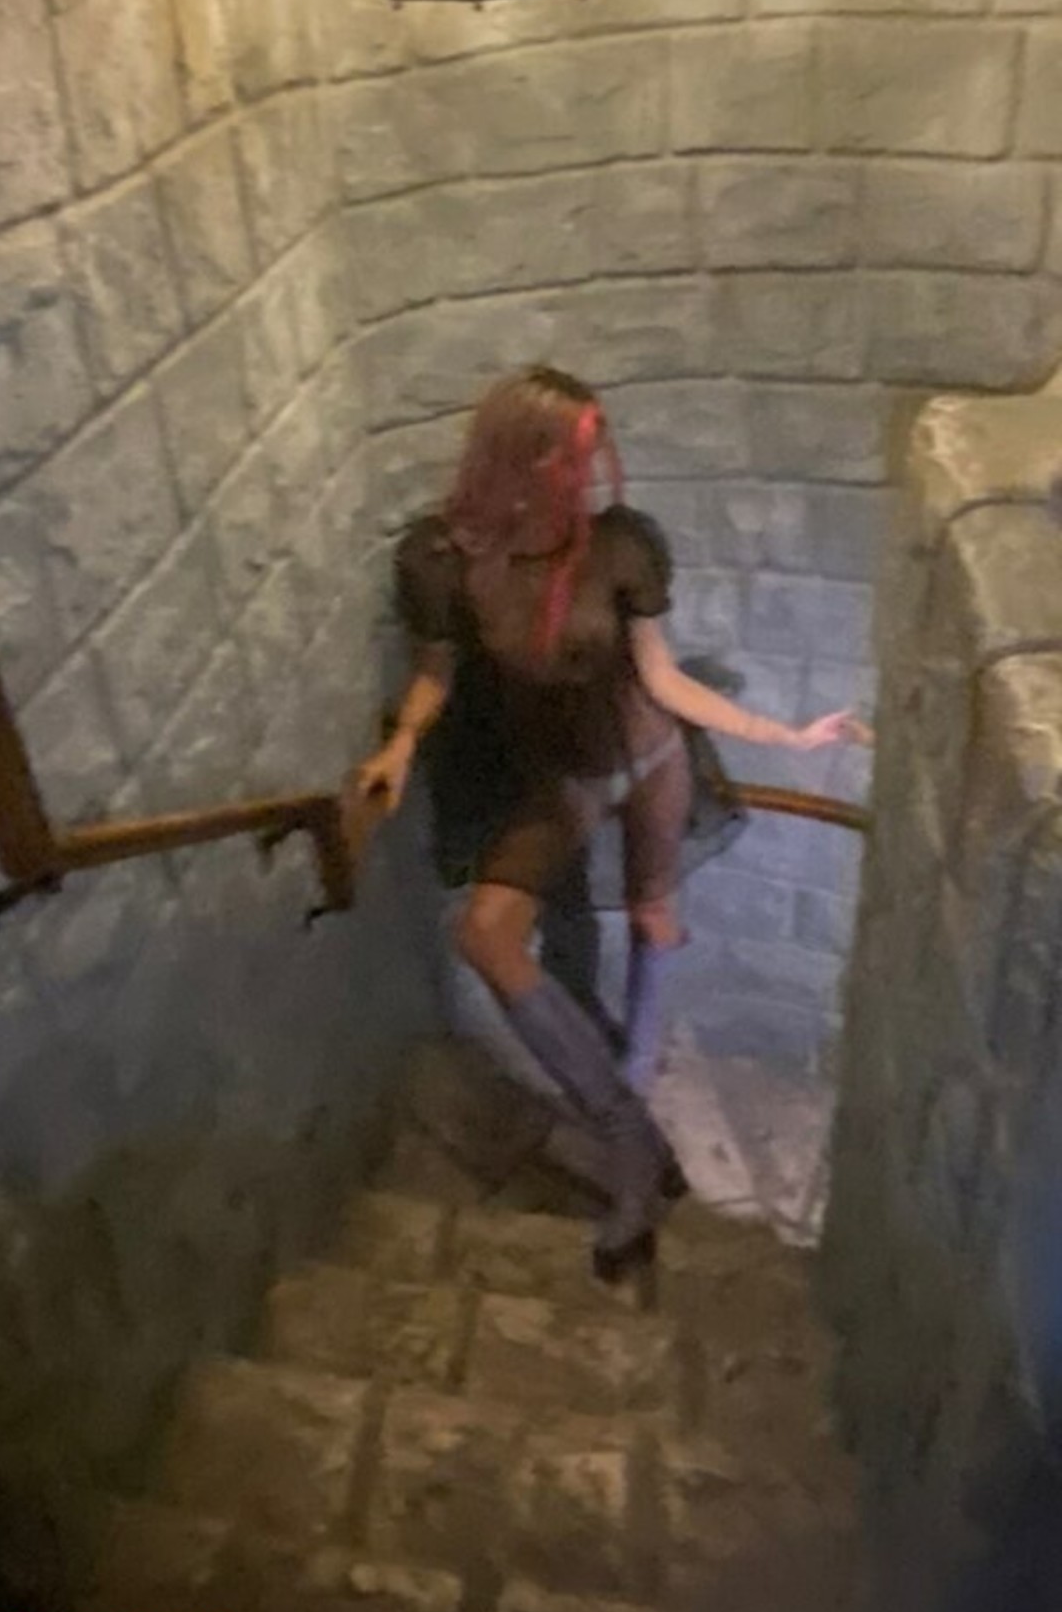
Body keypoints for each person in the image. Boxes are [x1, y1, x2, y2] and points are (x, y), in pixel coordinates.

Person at [359, 368, 867, 1282]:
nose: (584, 477)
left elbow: (661, 679)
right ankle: (627, 1131)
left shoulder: (621, 545)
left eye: (591, 456)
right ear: (516, 457)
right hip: (563, 776)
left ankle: (632, 1079)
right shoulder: (443, 559)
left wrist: (785, 735)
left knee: (653, 916)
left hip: (652, 754)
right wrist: (399, 744)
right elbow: (437, 670)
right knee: (488, 933)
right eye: (567, 458)